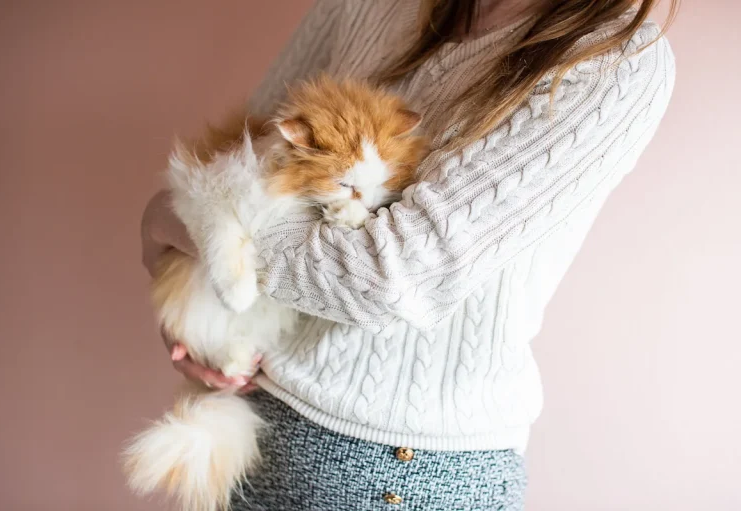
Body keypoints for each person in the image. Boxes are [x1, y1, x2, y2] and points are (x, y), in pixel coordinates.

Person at [140, 0, 677, 509]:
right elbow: (246, 155)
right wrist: (191, 264)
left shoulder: (614, 63)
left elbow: (387, 278)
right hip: (253, 408)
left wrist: (184, 222)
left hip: (405, 468)